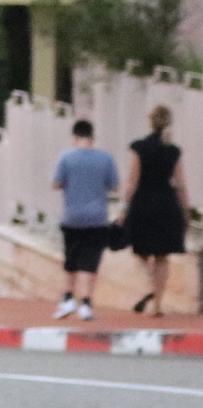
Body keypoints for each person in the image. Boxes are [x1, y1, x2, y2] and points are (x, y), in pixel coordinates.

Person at [126, 105, 191, 316]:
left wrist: (125, 207)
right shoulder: (173, 151)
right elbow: (180, 183)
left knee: (141, 251)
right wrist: (186, 210)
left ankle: (148, 287)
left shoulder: (139, 148)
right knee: (162, 256)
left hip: (143, 203)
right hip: (167, 203)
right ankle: (158, 304)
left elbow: (133, 180)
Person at [51, 119, 118, 321]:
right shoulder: (105, 159)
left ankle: (68, 298)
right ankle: (86, 303)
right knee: (90, 260)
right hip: (97, 218)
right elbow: (114, 186)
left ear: (74, 137)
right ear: (92, 137)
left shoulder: (66, 157)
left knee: (71, 259)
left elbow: (56, 183)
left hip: (72, 216)